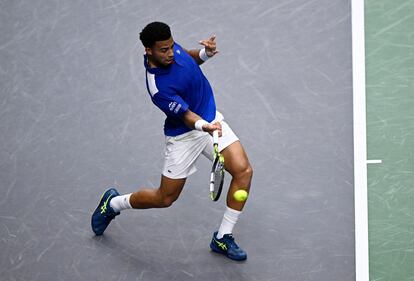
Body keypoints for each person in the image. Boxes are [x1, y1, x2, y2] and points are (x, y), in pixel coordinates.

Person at [91, 22, 253, 261]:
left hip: (211, 122)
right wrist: (204, 126)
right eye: (163, 50)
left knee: (243, 172)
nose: (170, 53)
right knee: (165, 198)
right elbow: (187, 117)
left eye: (170, 47)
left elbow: (186, 58)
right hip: (185, 135)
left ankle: (222, 237)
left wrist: (204, 55)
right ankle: (113, 203)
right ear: (149, 50)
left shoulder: (171, 49)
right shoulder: (159, 88)